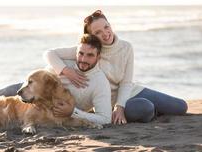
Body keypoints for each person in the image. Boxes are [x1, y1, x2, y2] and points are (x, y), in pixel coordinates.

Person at [43, 10, 188, 124]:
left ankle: (152, 110)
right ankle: (150, 111)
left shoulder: (126, 47)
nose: (105, 33)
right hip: (108, 102)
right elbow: (49, 54)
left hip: (131, 91)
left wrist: (121, 107)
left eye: (106, 27)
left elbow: (126, 83)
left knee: (181, 107)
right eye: (97, 32)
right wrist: (66, 71)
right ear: (91, 36)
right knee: (146, 108)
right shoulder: (88, 52)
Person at [0, 34, 112, 125]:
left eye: (90, 55)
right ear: (76, 52)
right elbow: (48, 53)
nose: (83, 59)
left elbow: (105, 119)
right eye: (80, 53)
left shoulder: (100, 83)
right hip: (31, 85)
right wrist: (66, 71)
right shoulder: (69, 61)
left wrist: (72, 112)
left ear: (98, 57)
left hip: (46, 103)